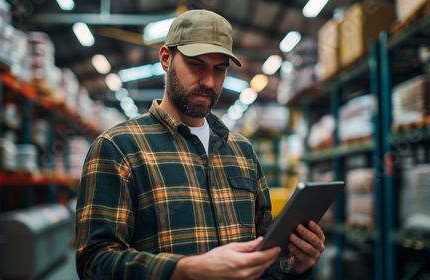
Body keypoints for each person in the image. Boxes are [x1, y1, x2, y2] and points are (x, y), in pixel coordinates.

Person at [75, 9, 325, 280]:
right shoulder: (118, 148)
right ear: (166, 59)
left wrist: (293, 265)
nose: (208, 82)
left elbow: (265, 258)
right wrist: (185, 270)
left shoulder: (243, 153)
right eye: (196, 64)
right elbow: (94, 262)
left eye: (219, 69)